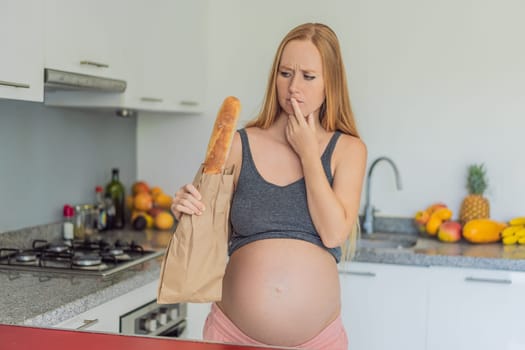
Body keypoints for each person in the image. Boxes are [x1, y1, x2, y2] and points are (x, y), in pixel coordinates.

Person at [171, 22, 367, 349]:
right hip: (232, 335)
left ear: (330, 82)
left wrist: (307, 153)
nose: (293, 87)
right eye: (285, 73)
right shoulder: (238, 144)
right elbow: (203, 235)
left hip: (317, 342)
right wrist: (185, 210)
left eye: (308, 76)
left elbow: (333, 233)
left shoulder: (348, 150)